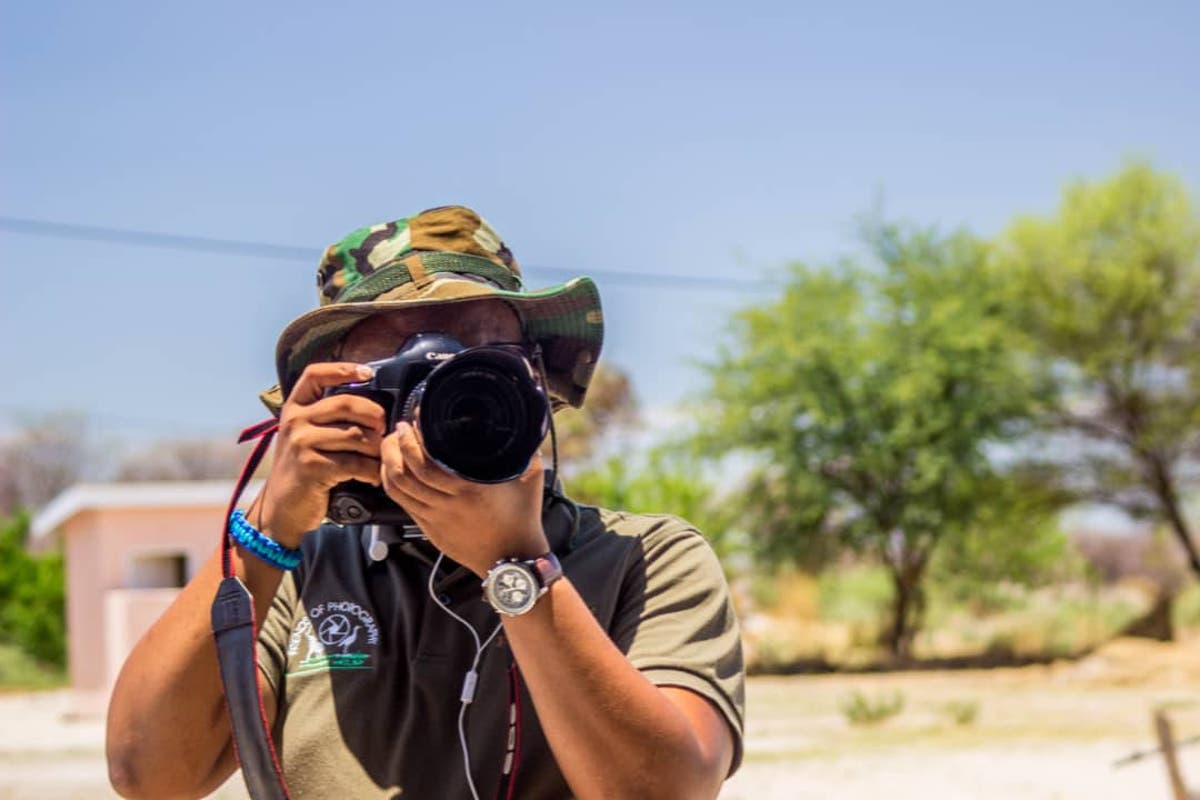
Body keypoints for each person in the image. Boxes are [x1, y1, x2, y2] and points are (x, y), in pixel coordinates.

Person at [106, 206, 745, 799]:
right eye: (399, 367)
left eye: (479, 361)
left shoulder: (644, 557)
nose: (444, 394)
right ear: (331, 394)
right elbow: (149, 775)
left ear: (536, 383)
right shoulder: (296, 572)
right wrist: (271, 525)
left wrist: (515, 565)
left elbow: (668, 790)